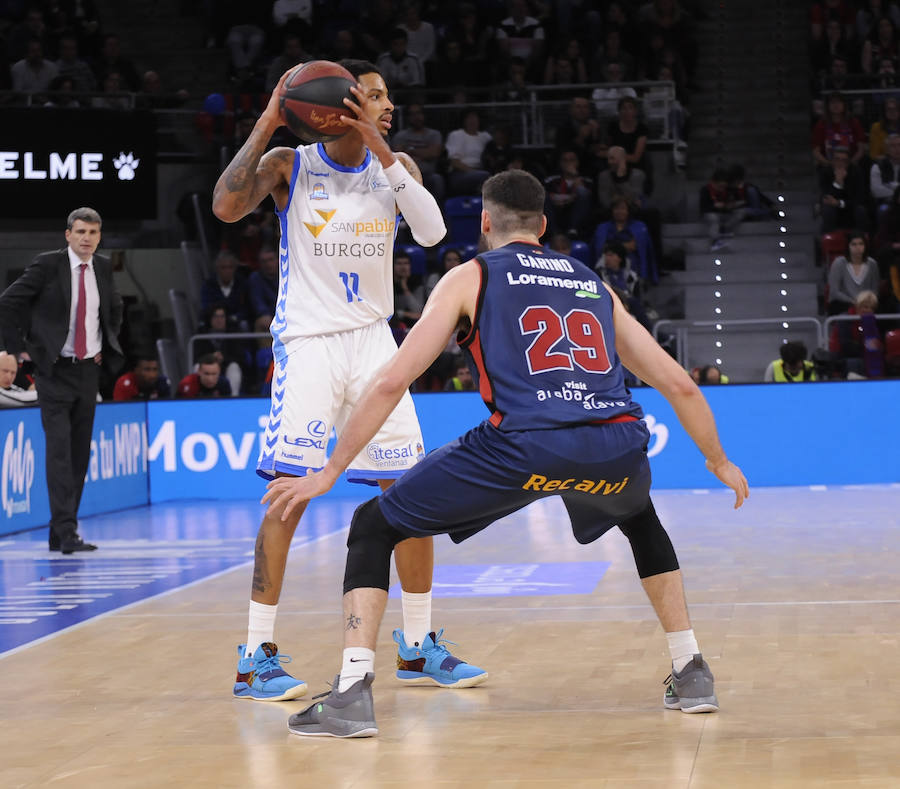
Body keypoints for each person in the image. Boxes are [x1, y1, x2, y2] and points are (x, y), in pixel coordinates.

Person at [262, 170, 750, 738]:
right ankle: (691, 669)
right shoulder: (592, 280)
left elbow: (393, 379)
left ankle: (350, 693)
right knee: (639, 517)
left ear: (485, 222)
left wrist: (331, 469)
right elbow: (679, 384)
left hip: (523, 445)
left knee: (372, 524)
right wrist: (717, 460)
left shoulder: (469, 276)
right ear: (543, 226)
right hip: (616, 444)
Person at [212, 59, 485, 702]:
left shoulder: (398, 170)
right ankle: (255, 656)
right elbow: (226, 207)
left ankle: (416, 646)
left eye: (389, 97)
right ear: (335, 103)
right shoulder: (291, 164)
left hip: (373, 342)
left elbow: (433, 232)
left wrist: (381, 144)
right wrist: (270, 119)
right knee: (290, 493)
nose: (387, 104)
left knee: (411, 489)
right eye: (373, 95)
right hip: (308, 342)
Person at [0, 207, 124, 553]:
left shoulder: (102, 266)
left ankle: (61, 530)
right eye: (81, 232)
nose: (87, 238)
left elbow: (113, 308)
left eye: (93, 233)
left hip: (88, 371)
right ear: (68, 234)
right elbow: (7, 303)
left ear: (100, 237)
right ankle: (67, 532)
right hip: (53, 371)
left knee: (79, 454)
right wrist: (19, 350)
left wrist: (106, 344)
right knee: (59, 453)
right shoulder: (48, 265)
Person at [827, 231, 882, 314]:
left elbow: (874, 290)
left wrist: (864, 303)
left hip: (866, 303)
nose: (858, 247)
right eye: (854, 244)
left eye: (861, 244)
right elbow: (834, 292)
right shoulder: (839, 263)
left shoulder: (872, 264)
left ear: (865, 246)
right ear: (848, 246)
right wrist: (854, 302)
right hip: (843, 303)